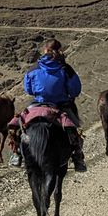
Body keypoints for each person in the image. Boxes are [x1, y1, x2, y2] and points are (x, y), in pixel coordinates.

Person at [22, 38, 87, 172]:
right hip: (60, 105)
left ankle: (16, 154)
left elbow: (28, 89)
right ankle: (77, 156)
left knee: (20, 123)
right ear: (60, 50)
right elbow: (75, 90)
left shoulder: (33, 68)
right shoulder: (66, 69)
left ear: (45, 50)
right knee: (73, 129)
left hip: (38, 104)